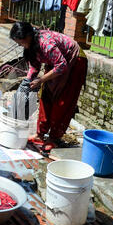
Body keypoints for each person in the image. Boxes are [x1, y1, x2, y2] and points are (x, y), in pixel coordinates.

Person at [9, 21, 87, 151]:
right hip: (56, 63)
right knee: (46, 95)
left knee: (62, 100)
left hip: (74, 61)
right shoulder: (32, 46)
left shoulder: (46, 44)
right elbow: (34, 65)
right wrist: (28, 82)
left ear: (28, 36)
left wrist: (41, 80)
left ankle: (54, 138)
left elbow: (61, 65)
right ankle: (40, 134)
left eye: (21, 42)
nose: (20, 45)